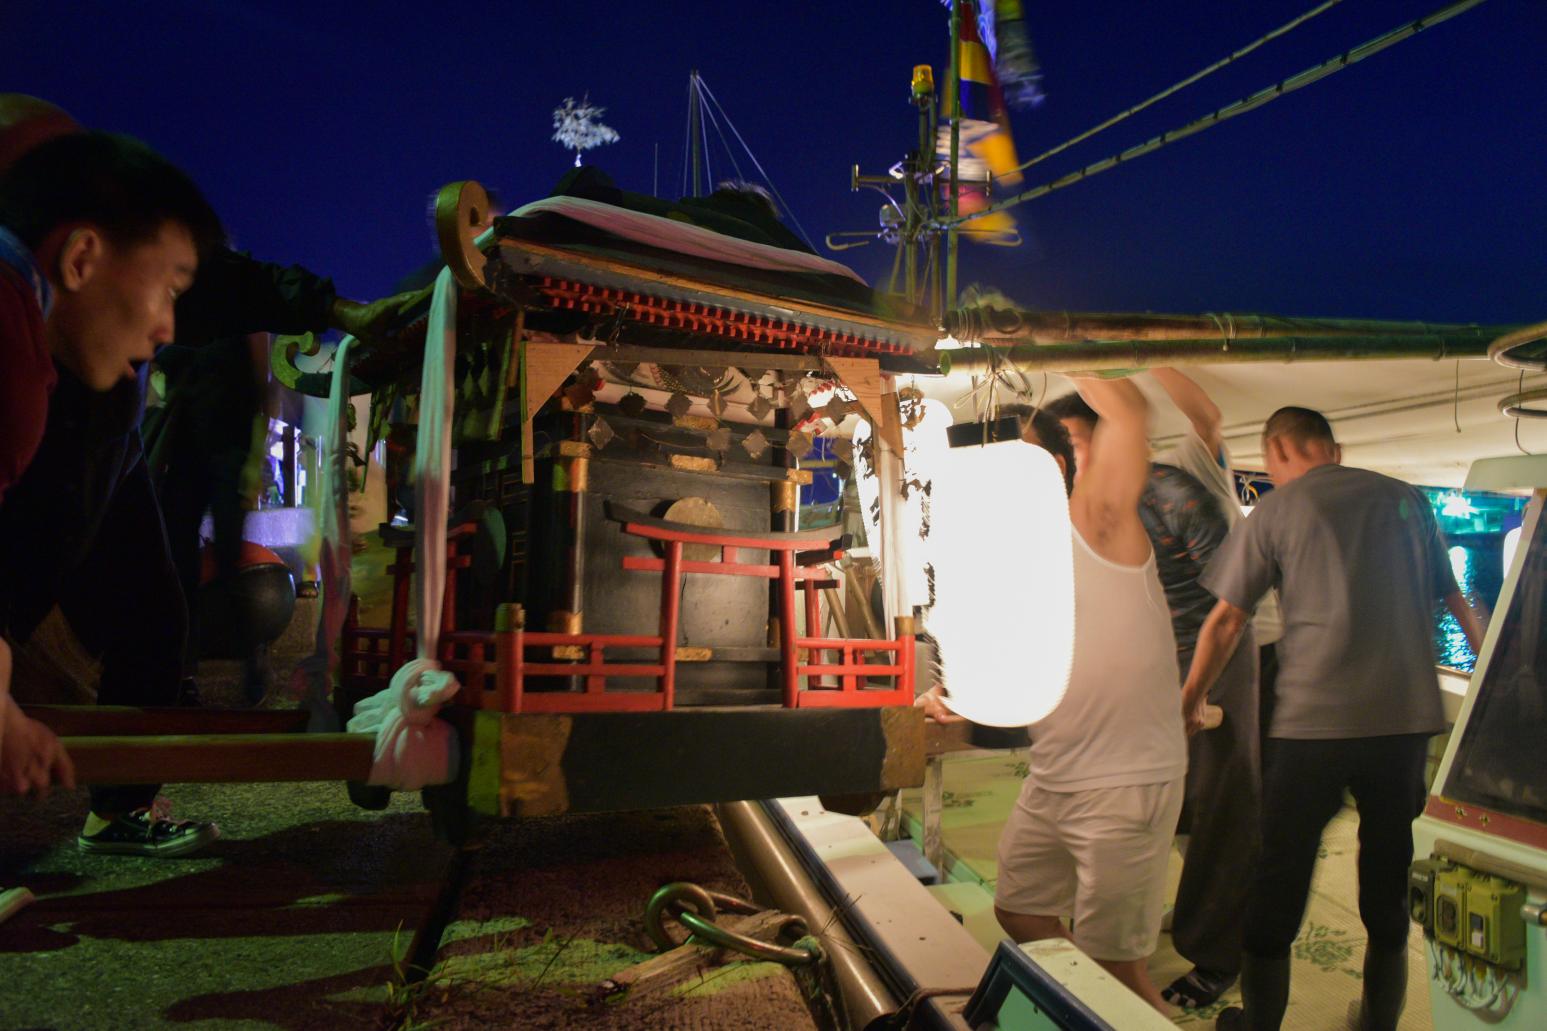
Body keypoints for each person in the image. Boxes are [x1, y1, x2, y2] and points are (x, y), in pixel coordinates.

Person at [1182, 407, 1483, 1031]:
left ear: (1278, 449)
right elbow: (1456, 601)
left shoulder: (1275, 510)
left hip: (1312, 728)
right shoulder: (1409, 501)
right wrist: (1488, 685)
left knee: (1280, 873)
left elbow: (1228, 621)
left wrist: (1190, 699)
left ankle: (1261, 1024)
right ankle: (1378, 1021)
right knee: (1387, 872)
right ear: (1334, 447)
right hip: (1403, 725)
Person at [919, 378, 1186, 1015]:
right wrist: (954, 694)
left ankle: (1121, 1011)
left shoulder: (1095, 524)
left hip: (1123, 781)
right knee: (1019, 909)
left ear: (1063, 464)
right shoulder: (1010, 558)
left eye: (1022, 461)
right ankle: (1083, 1007)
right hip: (1055, 775)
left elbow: (1132, 408)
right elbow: (1008, 657)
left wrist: (1045, 327)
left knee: (1116, 966)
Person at [0, 128, 226, 854]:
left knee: (152, 605)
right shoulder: (10, 340)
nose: (166, 325)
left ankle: (122, 807)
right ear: (81, 257)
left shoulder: (33, 336)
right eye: (167, 288)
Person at [1047, 369, 1263, 1008]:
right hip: (1151, 669)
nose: (1074, 458)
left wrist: (1196, 689)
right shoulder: (1088, 503)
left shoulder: (1174, 489)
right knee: (1140, 801)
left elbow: (1233, 598)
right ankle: (1130, 929)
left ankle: (1219, 954)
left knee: (1225, 810)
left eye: (1081, 444)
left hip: (1217, 657)